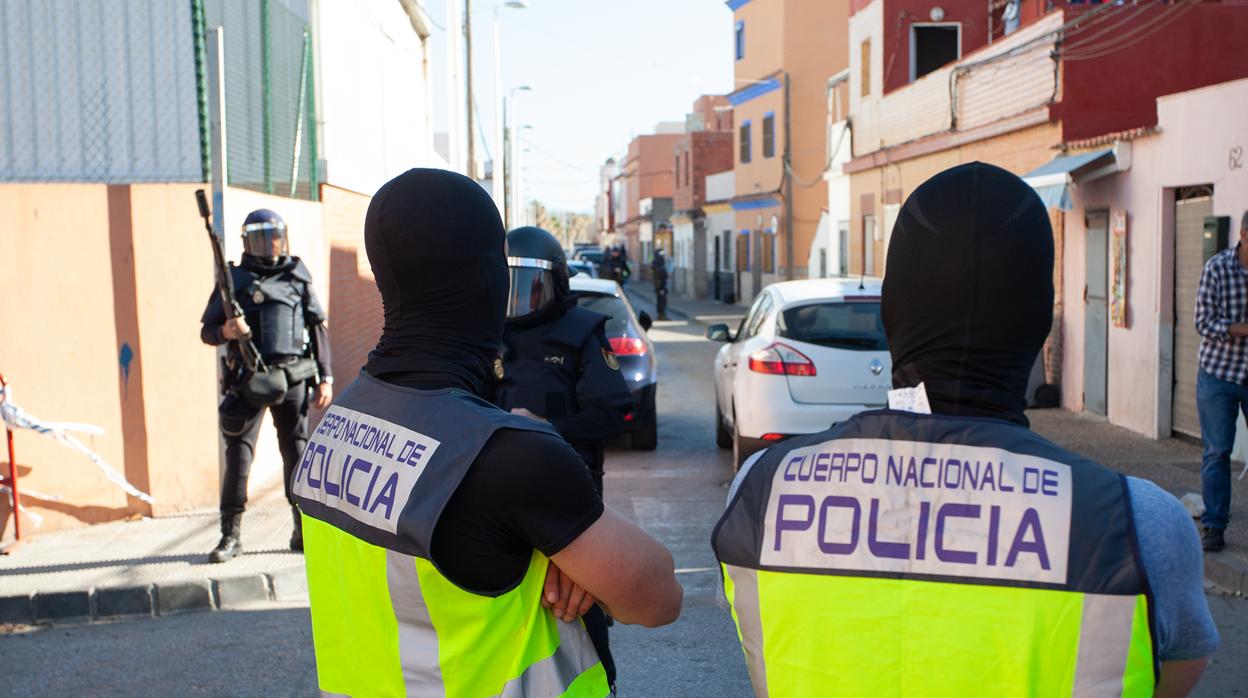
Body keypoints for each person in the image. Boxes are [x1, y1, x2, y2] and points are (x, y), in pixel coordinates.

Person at [712, 162, 1217, 696]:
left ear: (891, 315)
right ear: (1039, 326)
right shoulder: (1140, 527)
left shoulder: (761, 492)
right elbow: (1176, 675)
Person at [292, 168, 681, 696]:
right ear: (487, 278)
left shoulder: (335, 424)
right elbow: (658, 598)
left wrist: (553, 533)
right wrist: (558, 529)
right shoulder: (512, 457)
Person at [492, 225, 635, 688]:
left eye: (530, 287)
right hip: (491, 502)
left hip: (567, 502)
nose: (518, 300)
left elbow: (614, 413)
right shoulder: (482, 337)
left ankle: (603, 684)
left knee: (578, 607)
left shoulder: (581, 334)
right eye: (508, 285)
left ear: (556, 283)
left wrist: (551, 430)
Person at [200, 209, 332, 563]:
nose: (271, 244)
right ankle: (231, 535)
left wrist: (325, 377)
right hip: (247, 381)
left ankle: (301, 529)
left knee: (297, 454)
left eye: (276, 236)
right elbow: (206, 330)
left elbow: (317, 327)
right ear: (249, 242)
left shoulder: (296, 276)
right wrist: (226, 331)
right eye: (263, 238)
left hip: (292, 379)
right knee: (238, 457)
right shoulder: (235, 278)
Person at [1194, 210, 1248, 553]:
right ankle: (1214, 525)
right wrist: (1239, 329)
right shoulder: (1217, 268)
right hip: (1218, 373)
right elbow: (1202, 322)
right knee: (1217, 452)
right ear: (1244, 234)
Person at [651, 248, 669, 321]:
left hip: (661, 286)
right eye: (662, 255)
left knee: (662, 301)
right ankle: (661, 316)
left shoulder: (659, 263)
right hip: (660, 287)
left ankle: (662, 316)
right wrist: (660, 288)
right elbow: (658, 278)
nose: (664, 257)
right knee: (661, 302)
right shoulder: (657, 264)